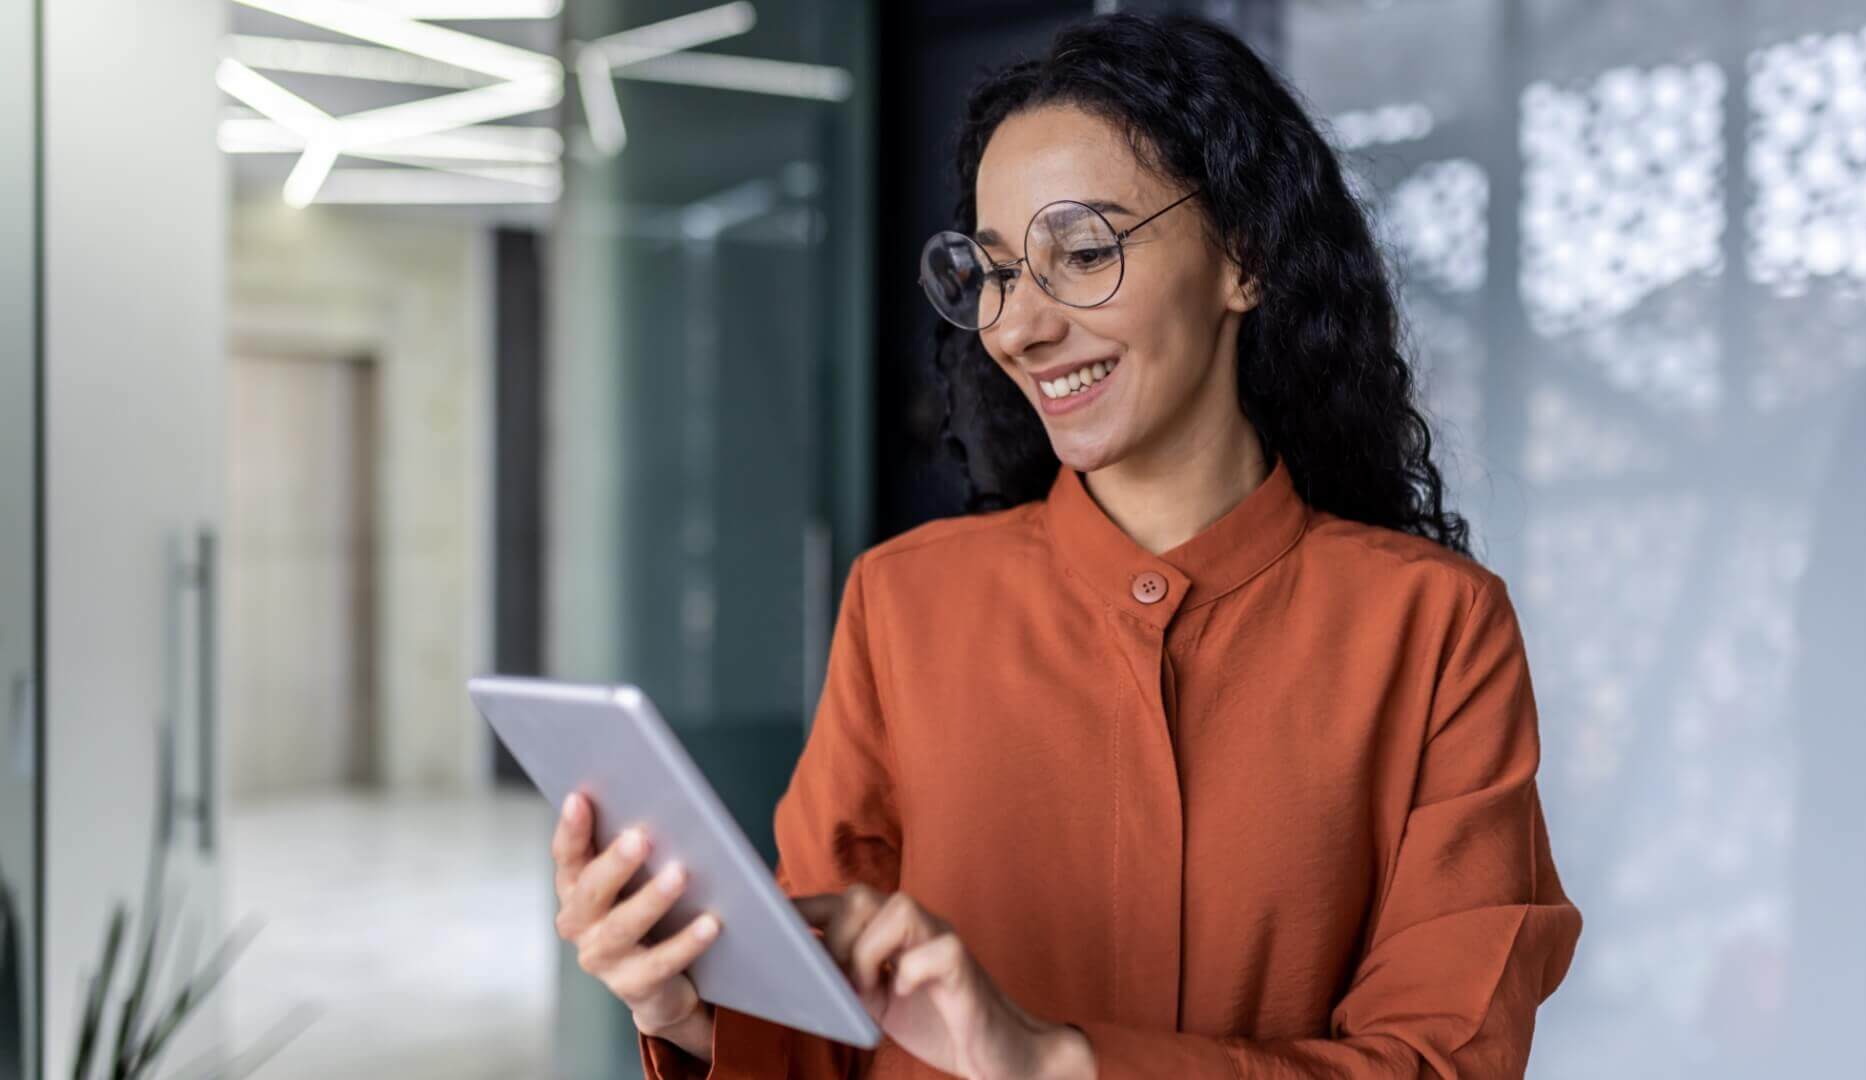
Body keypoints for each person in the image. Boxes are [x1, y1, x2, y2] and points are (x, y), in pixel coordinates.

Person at [550, 12, 1581, 1079]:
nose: (1018, 327)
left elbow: (1444, 1059)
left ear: (1247, 256)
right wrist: (694, 1012)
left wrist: (1055, 1062)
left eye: (1082, 252)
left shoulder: (1436, 631)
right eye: (993, 273)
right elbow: (832, 1019)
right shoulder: (904, 605)